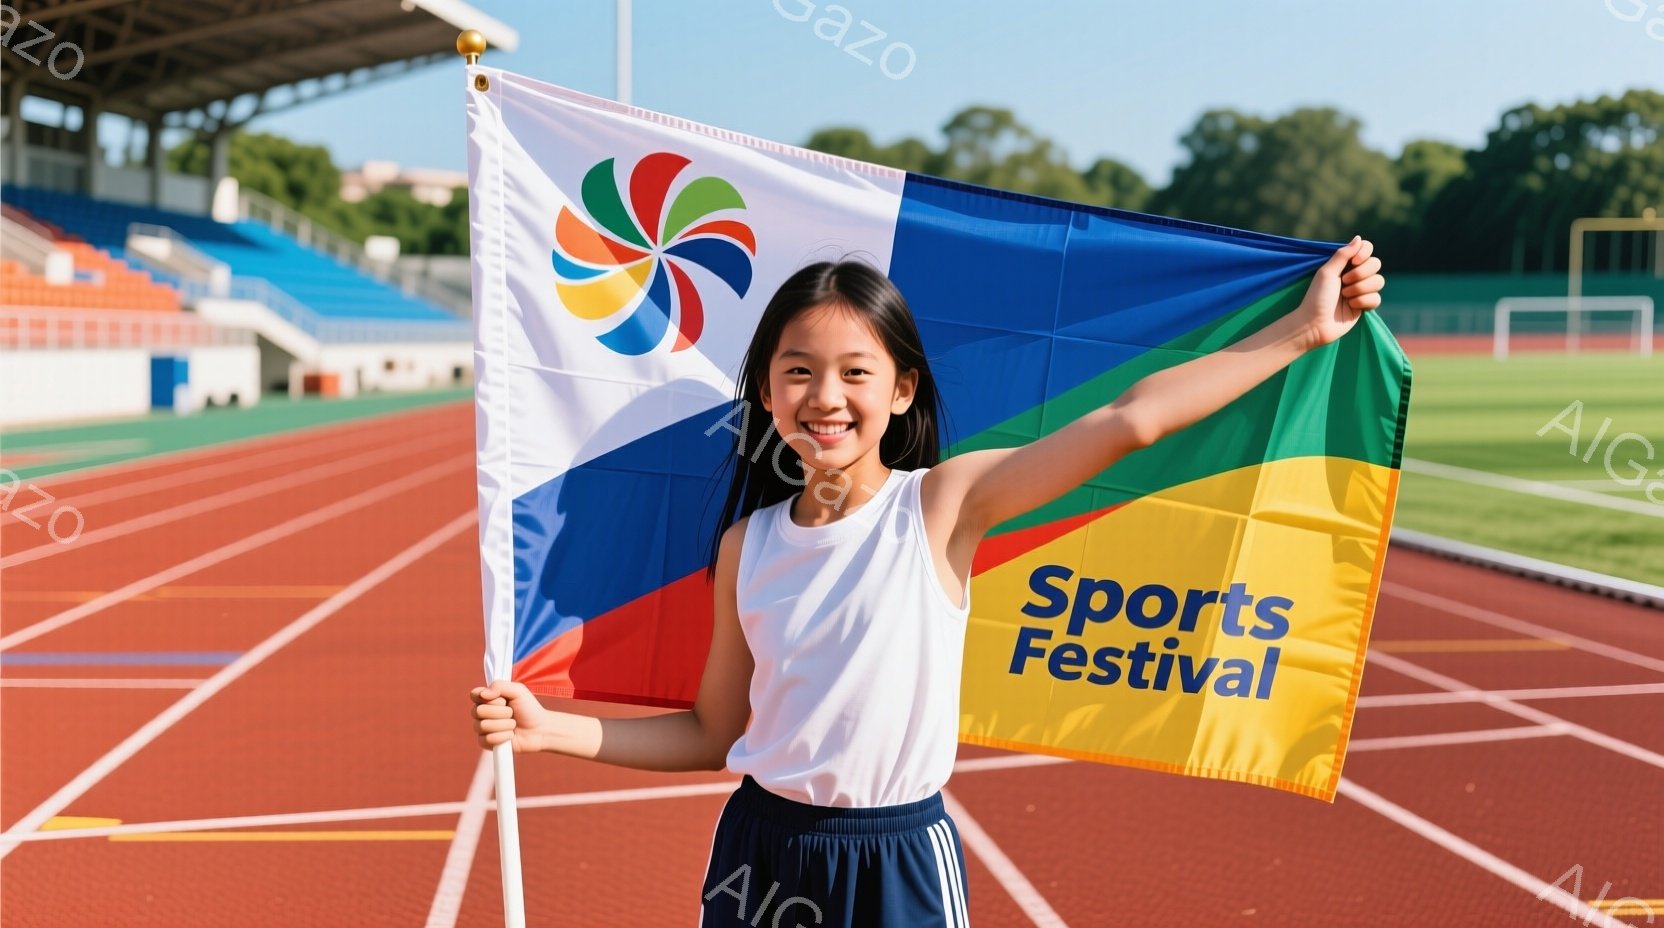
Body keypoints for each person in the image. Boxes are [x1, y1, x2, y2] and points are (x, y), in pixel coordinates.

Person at [470, 239, 1385, 926]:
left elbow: (1129, 422)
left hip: (897, 857)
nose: (825, 396)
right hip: (761, 851)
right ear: (765, 395)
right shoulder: (747, 546)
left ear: (902, 390)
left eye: (854, 372)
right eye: (798, 372)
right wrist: (554, 730)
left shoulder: (942, 505)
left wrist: (1302, 332)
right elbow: (716, 732)